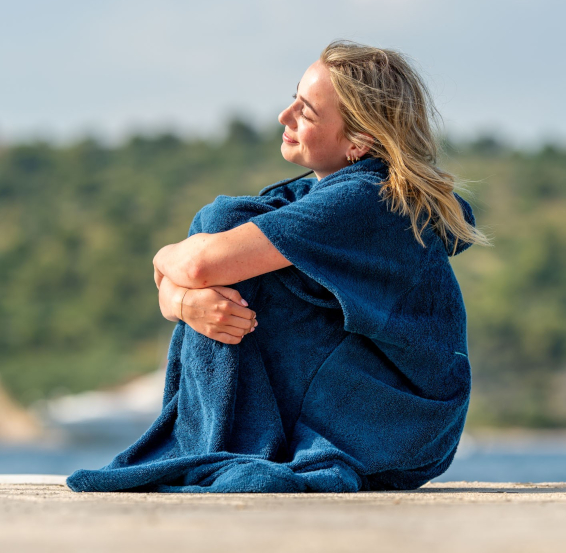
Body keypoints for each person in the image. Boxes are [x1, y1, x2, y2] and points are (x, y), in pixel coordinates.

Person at [66, 40, 489, 494]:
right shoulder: (314, 196)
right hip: (387, 413)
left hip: (397, 424)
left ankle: (223, 441)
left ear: (359, 141)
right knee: (229, 225)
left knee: (222, 227)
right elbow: (195, 275)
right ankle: (229, 440)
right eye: (293, 100)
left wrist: (163, 260)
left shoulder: (369, 200)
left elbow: (200, 264)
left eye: (306, 112)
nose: (285, 117)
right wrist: (184, 302)